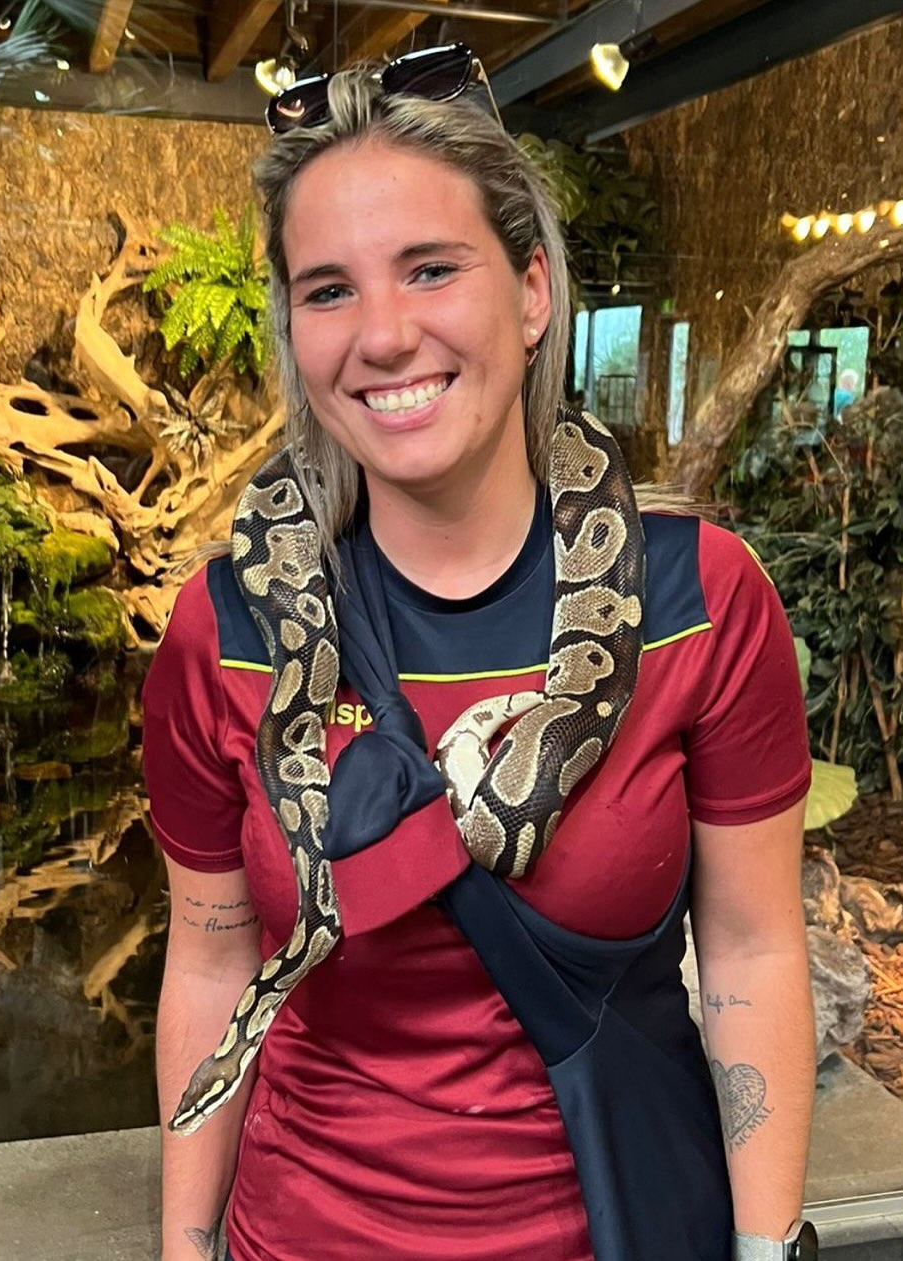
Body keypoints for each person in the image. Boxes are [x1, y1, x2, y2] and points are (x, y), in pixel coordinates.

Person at [142, 44, 816, 1261]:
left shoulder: (697, 599)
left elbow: (753, 950)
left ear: (532, 288)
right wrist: (184, 1248)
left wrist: (768, 1247)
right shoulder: (227, 626)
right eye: (328, 290)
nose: (383, 335)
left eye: (431, 268)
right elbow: (210, 959)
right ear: (292, 325)